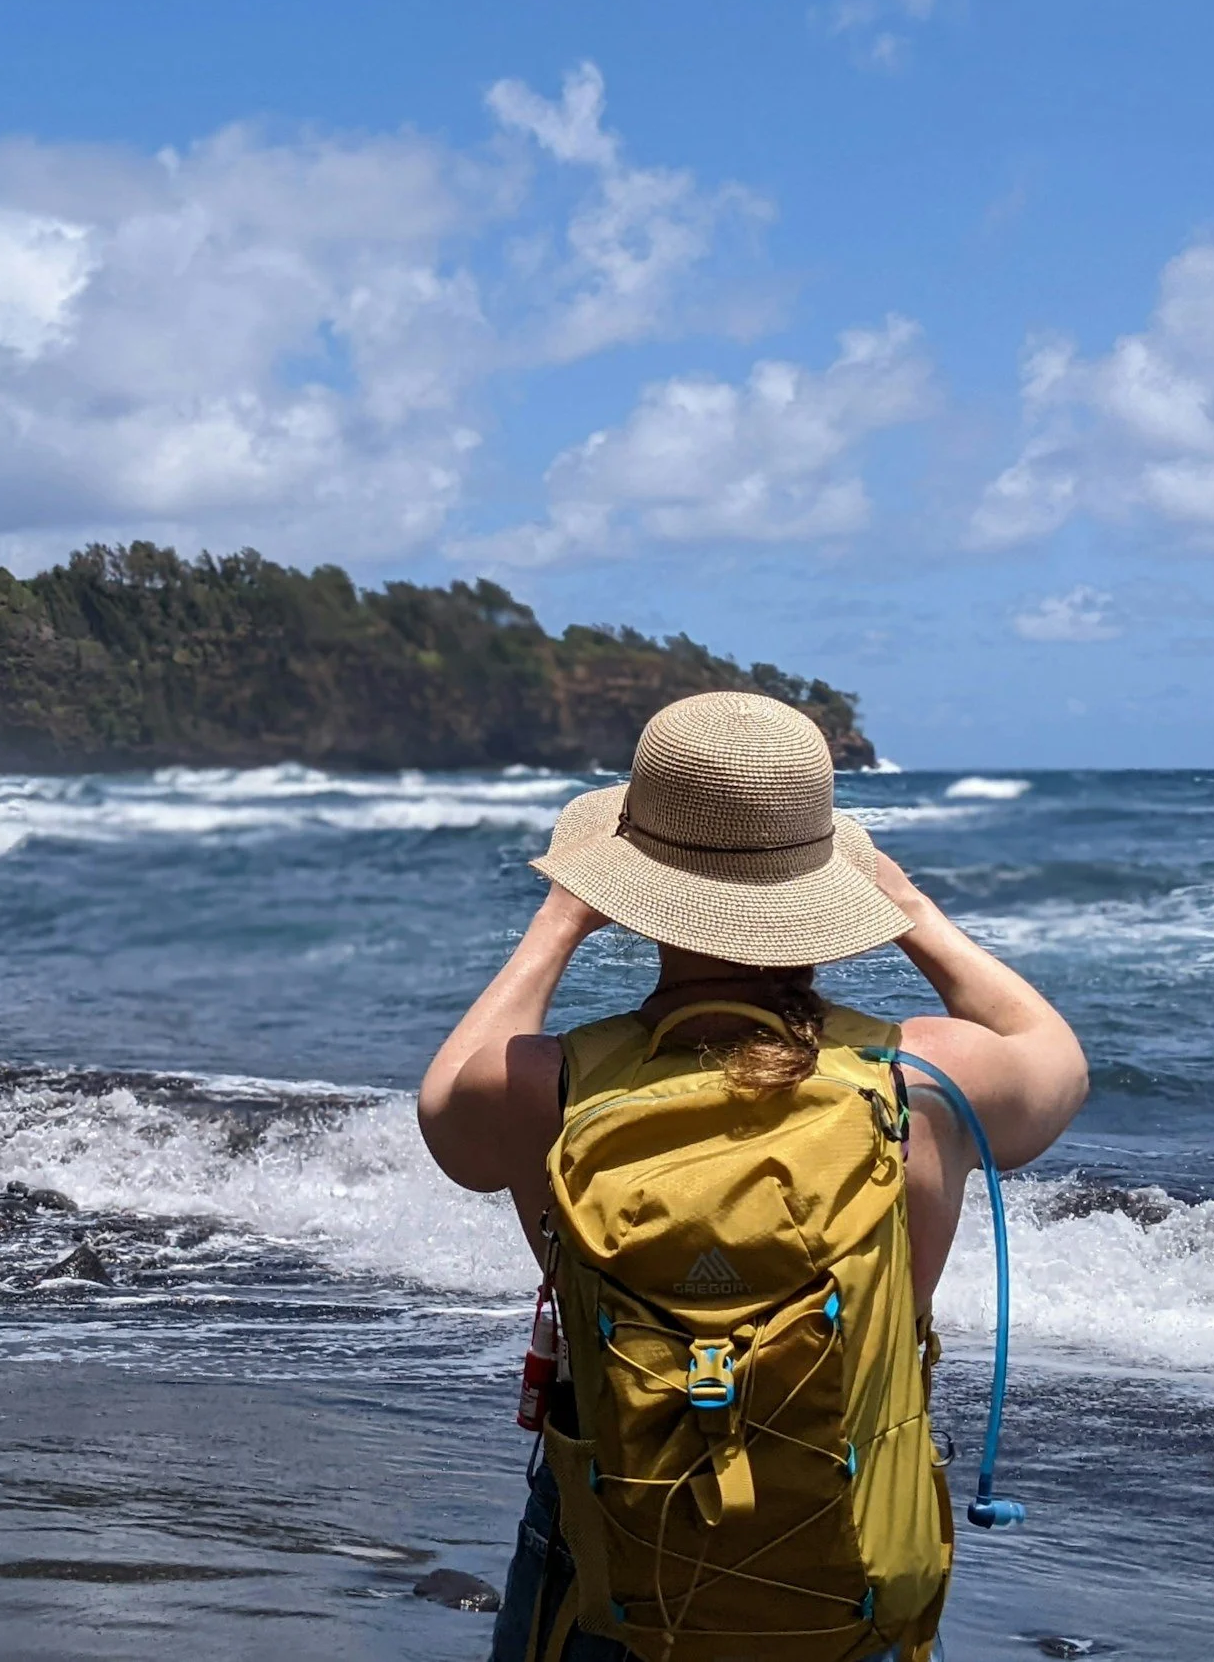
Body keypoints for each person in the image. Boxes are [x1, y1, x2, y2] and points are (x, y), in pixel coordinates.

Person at [419, 692, 1088, 1662]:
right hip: (843, 1576)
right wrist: (911, 914)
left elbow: (445, 1112)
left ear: (628, 884)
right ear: (822, 880)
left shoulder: (544, 1089)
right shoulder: (925, 1078)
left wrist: (559, 921)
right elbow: (1057, 1061)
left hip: (614, 1576)